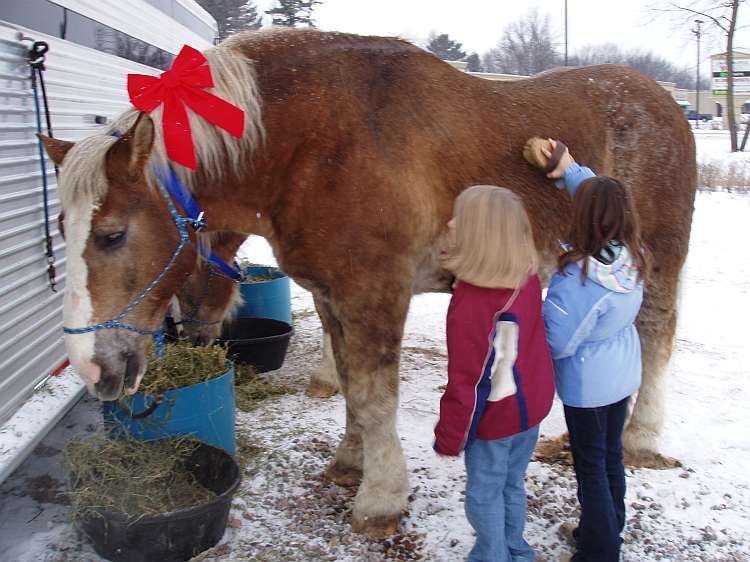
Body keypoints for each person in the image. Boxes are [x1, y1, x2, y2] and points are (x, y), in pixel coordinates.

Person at [540, 140, 648, 562]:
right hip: (621, 375)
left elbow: (558, 340)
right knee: (609, 457)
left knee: (590, 467)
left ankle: (599, 551)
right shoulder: (632, 256)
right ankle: (606, 527)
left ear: (583, 218)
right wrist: (571, 171)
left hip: (587, 386)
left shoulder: (579, 278)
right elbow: (601, 199)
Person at [434, 185, 555, 562]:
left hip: (495, 418)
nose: (450, 222)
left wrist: (450, 437)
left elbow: (467, 383)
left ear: (480, 235)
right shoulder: (528, 276)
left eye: (460, 218)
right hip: (530, 407)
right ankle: (516, 550)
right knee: (511, 483)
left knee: (484, 492)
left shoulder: (471, 304)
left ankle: (492, 555)